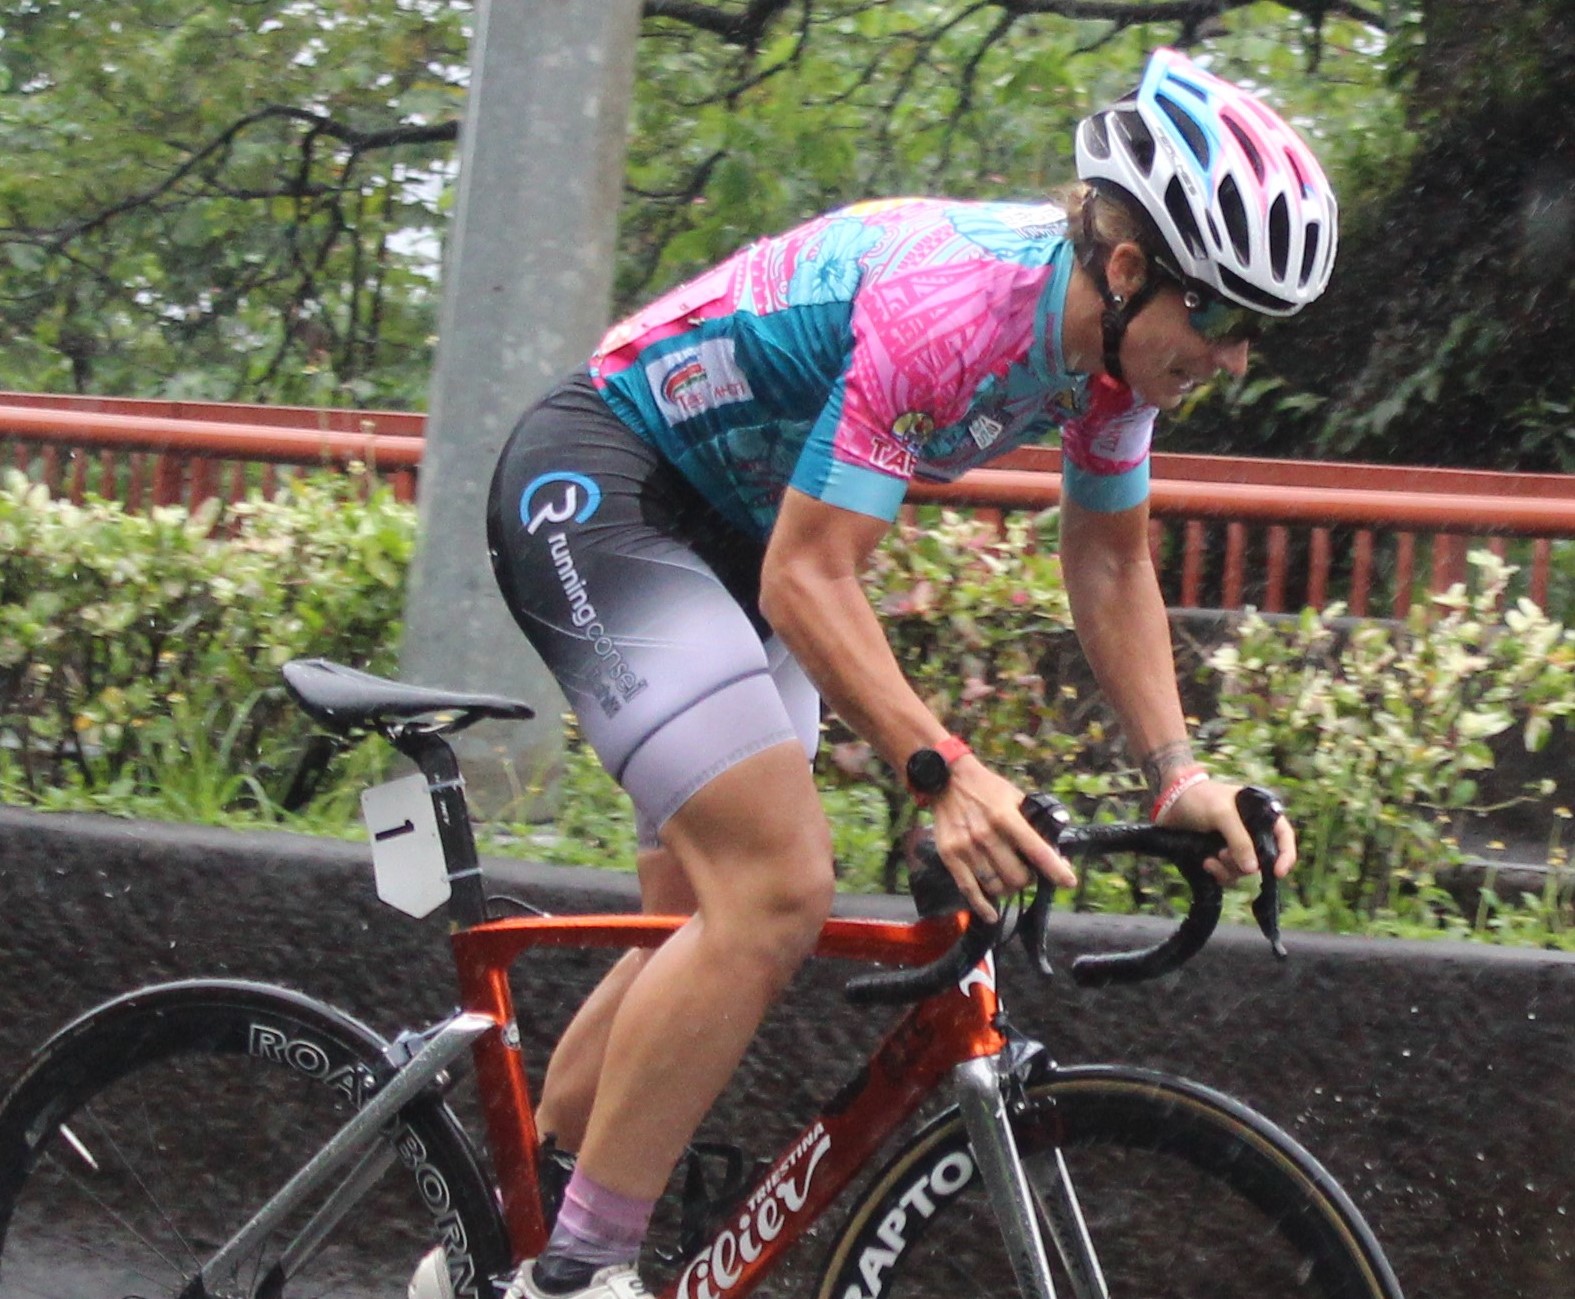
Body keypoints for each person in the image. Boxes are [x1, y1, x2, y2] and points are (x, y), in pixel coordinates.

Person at [409, 45, 1336, 1299]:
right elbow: (810, 576)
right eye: (1220, 319)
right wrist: (941, 770)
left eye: (1258, 334)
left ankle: (487, 1258)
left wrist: (1178, 776)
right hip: (609, 492)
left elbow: (1110, 563)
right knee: (777, 888)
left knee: (701, 924)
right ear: (1127, 269)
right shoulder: (955, 302)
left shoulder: (1119, 361)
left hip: (735, 538)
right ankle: (575, 1276)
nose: (1231, 359)